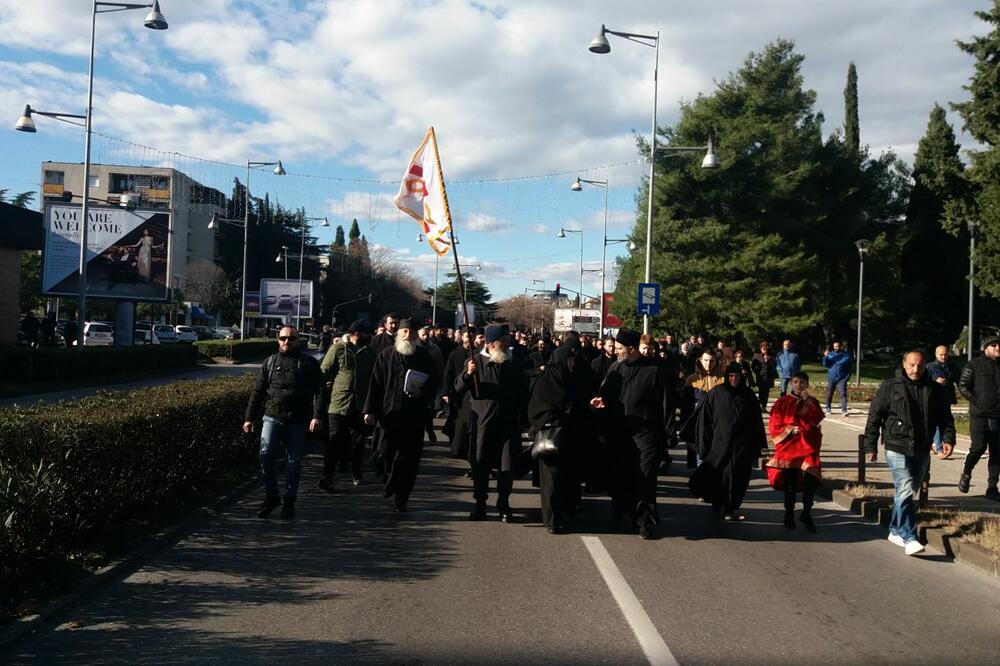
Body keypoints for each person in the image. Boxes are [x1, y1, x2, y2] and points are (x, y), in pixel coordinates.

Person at [863, 351, 956, 555]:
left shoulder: (934, 389)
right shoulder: (890, 387)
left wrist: (948, 439)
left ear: (925, 366)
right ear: (904, 364)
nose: (916, 369)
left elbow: (945, 417)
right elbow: (875, 416)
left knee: (907, 491)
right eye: (912, 365)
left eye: (920, 366)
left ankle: (895, 530)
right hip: (897, 445)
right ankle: (909, 536)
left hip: (922, 447)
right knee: (905, 487)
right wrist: (870, 446)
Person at [591, 328, 673, 539]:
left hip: (647, 435)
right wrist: (599, 403)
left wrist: (669, 435)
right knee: (621, 475)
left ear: (632, 349)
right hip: (620, 434)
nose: (616, 351)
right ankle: (623, 512)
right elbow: (604, 394)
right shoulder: (615, 369)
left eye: (620, 348)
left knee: (645, 479)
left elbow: (666, 404)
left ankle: (645, 521)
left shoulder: (654, 371)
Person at [244, 326, 325, 519]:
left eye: (291, 338)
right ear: (278, 340)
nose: (286, 341)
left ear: (298, 340)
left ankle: (289, 500)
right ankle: (271, 497)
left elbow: (320, 391)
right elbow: (258, 392)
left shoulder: (309, 363)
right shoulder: (270, 362)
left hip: (297, 419)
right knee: (265, 456)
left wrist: (316, 416)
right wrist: (249, 418)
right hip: (272, 416)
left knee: (293, 461)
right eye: (282, 338)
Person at [363, 318, 439, 512]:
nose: (408, 335)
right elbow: (376, 383)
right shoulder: (386, 355)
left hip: (414, 415)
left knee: (409, 458)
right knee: (384, 452)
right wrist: (369, 410)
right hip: (389, 413)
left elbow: (434, 382)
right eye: (404, 331)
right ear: (399, 333)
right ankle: (391, 479)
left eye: (411, 332)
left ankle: (402, 497)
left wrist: (422, 392)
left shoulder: (424, 356)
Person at [460, 325, 528, 521]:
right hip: (483, 425)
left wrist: (523, 419)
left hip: (508, 425)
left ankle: (503, 503)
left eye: (507, 341)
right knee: (480, 465)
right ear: (490, 344)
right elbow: (457, 388)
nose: (507, 344)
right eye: (502, 341)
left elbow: (524, 392)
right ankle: (480, 504)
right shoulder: (474, 362)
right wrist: (467, 375)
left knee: (507, 467)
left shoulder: (513, 364)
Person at [689, 362, 768, 521]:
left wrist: (757, 446)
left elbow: (756, 421)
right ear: (727, 376)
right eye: (731, 376)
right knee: (719, 476)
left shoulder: (748, 395)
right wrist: (704, 444)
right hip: (720, 444)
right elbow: (705, 419)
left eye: (736, 376)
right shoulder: (717, 393)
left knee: (738, 477)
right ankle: (719, 504)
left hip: (741, 446)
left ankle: (730, 508)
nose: (734, 379)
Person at [528, 340, 590, 533]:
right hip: (551, 440)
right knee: (551, 481)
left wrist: (589, 406)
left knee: (567, 478)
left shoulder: (571, 380)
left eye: (572, 360)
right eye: (569, 360)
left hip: (570, 438)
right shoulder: (545, 381)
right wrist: (553, 419)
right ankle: (551, 521)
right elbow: (535, 410)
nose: (572, 363)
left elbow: (577, 405)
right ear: (561, 361)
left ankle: (565, 512)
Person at [319, 320, 374, 491]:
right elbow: (324, 370)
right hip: (339, 402)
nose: (369, 336)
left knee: (358, 442)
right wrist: (325, 385)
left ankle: (356, 472)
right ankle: (328, 476)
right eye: (366, 333)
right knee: (334, 439)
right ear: (356, 333)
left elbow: (374, 377)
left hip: (360, 405)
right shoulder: (338, 348)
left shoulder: (369, 352)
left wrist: (371, 407)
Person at [765, 371, 824, 532]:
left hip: (808, 447)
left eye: (802, 382)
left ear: (807, 384)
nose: (799, 385)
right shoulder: (782, 402)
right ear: (791, 383)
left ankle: (807, 512)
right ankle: (789, 513)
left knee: (811, 480)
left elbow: (816, 418)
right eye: (796, 382)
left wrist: (807, 401)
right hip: (790, 447)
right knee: (790, 484)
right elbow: (774, 425)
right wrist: (789, 430)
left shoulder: (812, 401)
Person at [957, 336, 1000, 501]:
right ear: (985, 348)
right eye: (993, 345)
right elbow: (963, 386)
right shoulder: (974, 365)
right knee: (978, 447)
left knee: (997, 451)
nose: (997, 348)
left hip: (997, 415)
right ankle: (966, 472)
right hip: (979, 414)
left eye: (999, 345)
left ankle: (992, 488)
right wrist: (977, 401)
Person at [926, 345, 959, 459]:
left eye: (945, 355)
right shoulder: (929, 367)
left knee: (945, 423)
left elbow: (960, 380)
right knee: (934, 423)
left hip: (946, 399)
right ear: (936, 354)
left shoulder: (952, 367)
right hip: (932, 400)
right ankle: (939, 448)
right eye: (941, 355)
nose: (944, 357)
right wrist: (935, 381)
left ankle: (937, 445)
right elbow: (923, 382)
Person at [822, 341, 853, 416]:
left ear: (841, 346)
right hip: (832, 377)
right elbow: (825, 364)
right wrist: (825, 356)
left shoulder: (846, 356)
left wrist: (846, 377)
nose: (835, 348)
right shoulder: (830, 355)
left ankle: (844, 410)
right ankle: (828, 408)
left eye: (837, 346)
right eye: (834, 346)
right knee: (829, 393)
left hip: (842, 378)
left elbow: (850, 368)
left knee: (843, 393)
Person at [751, 341, 777, 412]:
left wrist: (768, 360)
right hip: (760, 377)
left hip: (769, 377)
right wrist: (757, 372)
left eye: (766, 349)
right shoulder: (756, 355)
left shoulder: (771, 355)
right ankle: (760, 405)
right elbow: (753, 366)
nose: (765, 350)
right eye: (763, 349)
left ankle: (764, 406)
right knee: (761, 391)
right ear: (760, 348)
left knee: (766, 392)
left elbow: (775, 365)